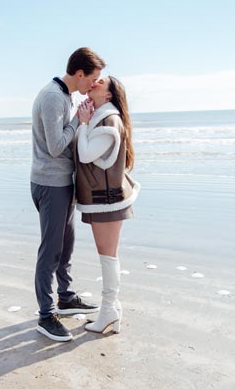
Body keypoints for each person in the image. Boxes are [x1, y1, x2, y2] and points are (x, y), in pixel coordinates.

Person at [31, 47, 106, 342]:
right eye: (93, 79)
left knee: (67, 245)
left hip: (62, 182)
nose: (93, 85)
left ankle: (66, 297)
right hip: (50, 184)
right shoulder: (53, 98)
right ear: (79, 74)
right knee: (50, 251)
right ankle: (45, 315)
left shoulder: (65, 96)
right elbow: (55, 145)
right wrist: (80, 120)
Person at [74, 75, 140, 334]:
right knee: (108, 256)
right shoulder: (103, 116)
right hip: (103, 198)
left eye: (100, 82)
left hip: (106, 200)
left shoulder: (109, 120)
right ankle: (112, 309)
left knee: (107, 257)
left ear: (109, 95)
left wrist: (82, 124)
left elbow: (86, 154)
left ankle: (109, 310)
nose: (94, 83)